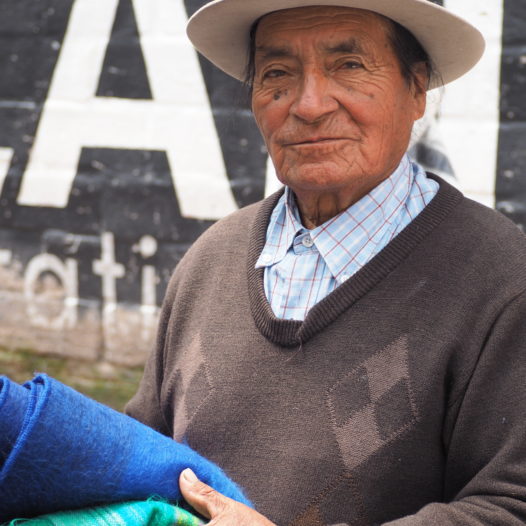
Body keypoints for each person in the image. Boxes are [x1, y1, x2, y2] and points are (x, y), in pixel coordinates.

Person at [126, 1, 526, 524]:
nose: (309, 105)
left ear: (417, 90)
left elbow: (510, 506)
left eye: (349, 66)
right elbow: (140, 455)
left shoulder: (500, 278)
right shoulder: (212, 259)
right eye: (277, 73)